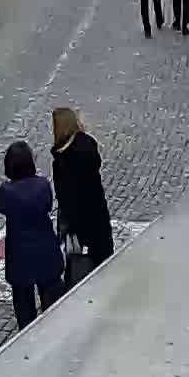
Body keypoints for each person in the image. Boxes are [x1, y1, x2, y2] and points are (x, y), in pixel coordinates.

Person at [0, 141, 63, 330]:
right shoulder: (42, 185)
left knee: (24, 308)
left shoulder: (6, 192)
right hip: (45, 249)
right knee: (53, 306)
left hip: (20, 255)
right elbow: (48, 205)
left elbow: (0, 206)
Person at [50, 108, 113, 280]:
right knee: (103, 256)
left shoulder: (62, 161)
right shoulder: (88, 145)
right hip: (98, 214)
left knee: (80, 265)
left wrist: (68, 228)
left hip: (78, 223)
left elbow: (65, 197)